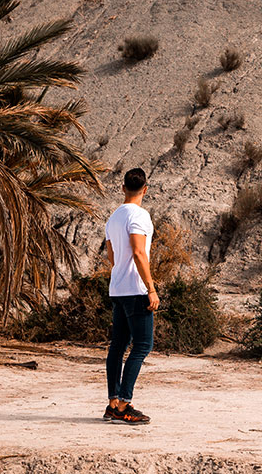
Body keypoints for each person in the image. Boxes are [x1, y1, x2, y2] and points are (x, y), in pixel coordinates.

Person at [103, 167, 159, 425]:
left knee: (118, 346)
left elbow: (112, 257)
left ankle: (113, 403)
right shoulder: (139, 215)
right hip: (136, 290)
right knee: (143, 345)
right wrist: (151, 287)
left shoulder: (113, 218)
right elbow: (139, 253)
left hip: (118, 288)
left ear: (123, 188)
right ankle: (124, 404)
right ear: (145, 190)